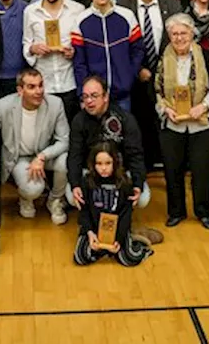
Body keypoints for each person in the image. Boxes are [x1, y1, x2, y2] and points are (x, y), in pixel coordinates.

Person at [67, 77, 160, 244]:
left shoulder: (126, 120)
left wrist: (137, 184)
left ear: (106, 96)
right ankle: (91, 226)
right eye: (85, 96)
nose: (89, 101)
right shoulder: (78, 121)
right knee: (70, 195)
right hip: (92, 174)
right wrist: (75, 185)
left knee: (143, 197)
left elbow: (136, 156)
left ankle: (123, 226)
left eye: (94, 95)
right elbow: (74, 156)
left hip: (119, 173)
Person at [155, 14, 209, 229]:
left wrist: (203, 107)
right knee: (172, 170)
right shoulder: (162, 56)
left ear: (192, 33)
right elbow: (155, 89)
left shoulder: (205, 54)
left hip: (200, 123)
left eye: (183, 33)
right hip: (172, 123)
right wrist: (165, 109)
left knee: (201, 171)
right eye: (174, 34)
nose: (179, 38)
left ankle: (203, 212)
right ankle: (176, 212)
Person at [0, 68, 71, 223]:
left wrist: (43, 156)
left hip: (45, 154)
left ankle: (55, 200)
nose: (38, 91)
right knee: (33, 189)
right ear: (20, 90)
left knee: (65, 161)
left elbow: (64, 140)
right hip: (19, 158)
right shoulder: (4, 105)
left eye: (40, 85)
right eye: (31, 87)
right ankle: (25, 198)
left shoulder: (55, 104)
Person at [118, 0, 182, 161]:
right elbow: (121, 45)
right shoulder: (123, 6)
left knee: (165, 123)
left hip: (166, 76)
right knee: (138, 124)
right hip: (135, 78)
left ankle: (165, 162)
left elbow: (178, 42)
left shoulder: (172, 5)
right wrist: (137, 69)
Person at [73, 141, 154, 267]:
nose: (103, 168)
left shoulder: (125, 184)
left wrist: (119, 240)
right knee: (80, 257)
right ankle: (104, 250)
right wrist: (90, 233)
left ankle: (136, 240)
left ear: (115, 163)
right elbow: (84, 211)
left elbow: (126, 214)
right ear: (93, 164)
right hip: (94, 229)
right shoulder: (86, 182)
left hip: (117, 230)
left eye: (108, 163)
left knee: (129, 259)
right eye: (99, 164)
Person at [71, 0, 144, 112]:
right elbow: (79, 62)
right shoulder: (81, 21)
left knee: (123, 131)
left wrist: (129, 75)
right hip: (94, 97)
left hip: (122, 93)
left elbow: (138, 50)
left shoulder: (127, 16)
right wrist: (84, 93)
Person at [24, 0, 86, 119]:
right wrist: (33, 48)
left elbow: (84, 46)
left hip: (69, 81)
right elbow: (26, 43)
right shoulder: (30, 11)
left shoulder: (77, 10)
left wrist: (74, 52)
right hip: (44, 83)